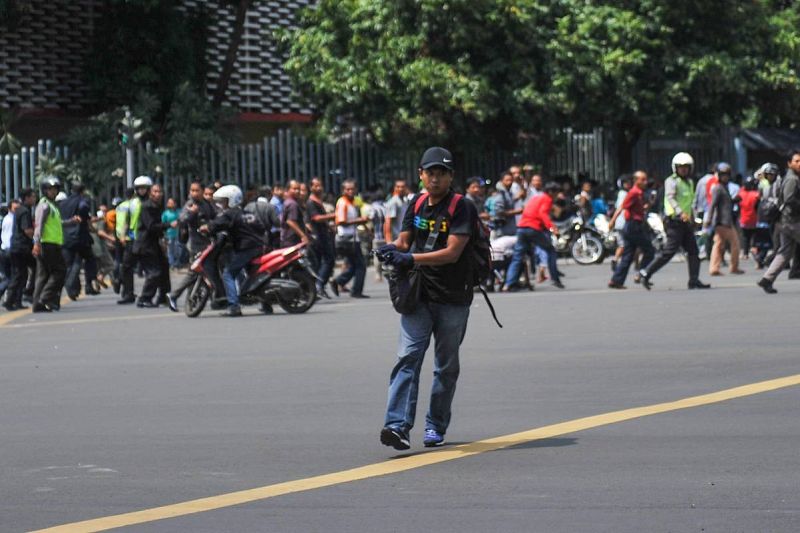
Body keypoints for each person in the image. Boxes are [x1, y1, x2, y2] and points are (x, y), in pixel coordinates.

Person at [378, 146, 477, 450]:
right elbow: (404, 240)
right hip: (418, 295)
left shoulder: (462, 207)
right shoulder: (416, 203)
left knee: (446, 366)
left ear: (451, 177)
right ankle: (397, 426)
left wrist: (411, 259)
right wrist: (391, 248)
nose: (435, 179)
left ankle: (435, 424)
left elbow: (452, 253)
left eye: (441, 173)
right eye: (430, 172)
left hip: (453, 297)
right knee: (407, 358)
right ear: (420, 175)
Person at [638, 152, 710, 290]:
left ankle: (693, 280)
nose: (683, 169)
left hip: (686, 222)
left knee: (693, 251)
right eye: (680, 167)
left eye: (686, 167)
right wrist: (680, 212)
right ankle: (645, 272)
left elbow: (690, 202)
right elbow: (671, 198)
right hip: (674, 222)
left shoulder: (689, 182)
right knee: (668, 252)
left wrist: (693, 218)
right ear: (675, 168)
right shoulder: (671, 181)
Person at [201, 185, 267, 316]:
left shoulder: (230, 214)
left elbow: (217, 224)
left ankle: (234, 306)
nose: (222, 204)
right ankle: (266, 303)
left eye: (224, 201)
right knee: (253, 276)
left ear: (232, 200)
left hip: (246, 249)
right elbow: (261, 227)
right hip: (258, 246)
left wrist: (207, 227)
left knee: (228, 274)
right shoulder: (246, 213)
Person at [168, 181, 225, 309]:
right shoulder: (190, 204)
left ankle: (217, 299)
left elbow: (215, 217)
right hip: (196, 246)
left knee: (210, 271)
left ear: (202, 191)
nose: (193, 193)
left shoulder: (206, 204)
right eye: (192, 190)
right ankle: (175, 295)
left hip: (209, 244)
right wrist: (192, 213)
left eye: (196, 190)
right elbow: (182, 219)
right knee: (195, 273)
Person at [502, 181, 564, 291]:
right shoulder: (547, 199)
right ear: (551, 192)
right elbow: (542, 213)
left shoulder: (536, 198)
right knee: (551, 251)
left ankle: (508, 284)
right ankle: (555, 278)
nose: (557, 196)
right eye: (556, 193)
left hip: (522, 227)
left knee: (517, 256)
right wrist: (553, 228)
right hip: (533, 228)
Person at [32, 177, 77, 312]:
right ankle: (44, 298)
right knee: (60, 271)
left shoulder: (52, 206)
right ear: (45, 190)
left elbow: (58, 224)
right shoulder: (44, 205)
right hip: (47, 244)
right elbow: (38, 225)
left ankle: (37, 304)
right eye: (50, 189)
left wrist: (71, 221)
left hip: (52, 244)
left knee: (43, 275)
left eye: (55, 189)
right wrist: (36, 243)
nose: (53, 192)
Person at [758, 149, 800, 294]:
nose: (799, 164)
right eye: (797, 161)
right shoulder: (792, 179)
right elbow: (789, 200)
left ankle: (767, 279)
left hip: (786, 222)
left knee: (784, 253)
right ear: (789, 163)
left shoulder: (793, 177)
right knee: (784, 251)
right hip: (792, 222)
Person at [608, 171, 655, 288]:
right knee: (650, 250)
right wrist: (612, 220)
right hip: (633, 226)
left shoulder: (639, 193)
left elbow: (640, 209)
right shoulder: (633, 193)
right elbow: (622, 207)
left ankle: (616, 281)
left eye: (645, 179)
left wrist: (648, 204)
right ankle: (642, 274)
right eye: (642, 180)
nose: (645, 182)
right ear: (636, 181)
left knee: (628, 256)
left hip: (634, 225)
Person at [134, 183, 174, 310]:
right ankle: (144, 298)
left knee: (164, 268)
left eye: (160, 191)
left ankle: (164, 297)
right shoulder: (147, 206)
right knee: (154, 272)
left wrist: (163, 239)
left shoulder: (156, 206)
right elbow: (151, 226)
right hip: (146, 244)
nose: (157, 194)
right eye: (155, 191)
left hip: (153, 243)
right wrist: (169, 225)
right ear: (150, 193)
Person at [59, 181, 98, 299]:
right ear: (83, 191)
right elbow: (85, 217)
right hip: (80, 237)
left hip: (66, 237)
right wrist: (91, 228)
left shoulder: (63, 203)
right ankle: (88, 285)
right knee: (90, 260)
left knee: (69, 263)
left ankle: (73, 288)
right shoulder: (83, 202)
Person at [331, 179, 369, 298]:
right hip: (347, 239)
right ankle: (356, 291)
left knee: (354, 265)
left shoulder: (352, 202)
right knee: (361, 265)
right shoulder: (343, 203)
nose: (350, 191)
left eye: (352, 189)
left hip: (351, 238)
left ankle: (338, 281)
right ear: (343, 191)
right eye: (348, 189)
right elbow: (340, 221)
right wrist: (360, 220)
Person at [118, 176, 152, 304]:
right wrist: (122, 235)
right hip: (133, 239)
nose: (142, 191)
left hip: (148, 239)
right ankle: (128, 294)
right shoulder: (132, 203)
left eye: (144, 188)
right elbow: (127, 220)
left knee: (152, 268)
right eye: (139, 188)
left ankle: (153, 295)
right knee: (126, 267)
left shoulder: (153, 202)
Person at [705, 164, 744, 276]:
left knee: (718, 245)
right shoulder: (718, 188)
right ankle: (734, 267)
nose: (725, 177)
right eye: (723, 175)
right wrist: (709, 218)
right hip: (722, 221)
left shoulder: (723, 188)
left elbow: (726, 203)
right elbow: (713, 205)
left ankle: (714, 268)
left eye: (726, 175)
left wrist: (734, 200)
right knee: (735, 243)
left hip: (725, 220)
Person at [306, 177, 336, 298]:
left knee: (320, 262)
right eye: (316, 186)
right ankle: (318, 285)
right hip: (317, 236)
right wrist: (333, 215)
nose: (319, 188)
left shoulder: (318, 201)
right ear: (311, 187)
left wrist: (329, 227)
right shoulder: (311, 202)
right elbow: (316, 218)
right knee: (328, 259)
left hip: (323, 234)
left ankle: (317, 287)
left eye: (320, 185)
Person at [280, 180, 308, 248]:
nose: (297, 191)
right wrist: (303, 236)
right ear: (288, 190)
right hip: (292, 240)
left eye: (298, 189)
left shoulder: (287, 202)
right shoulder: (293, 204)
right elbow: (291, 221)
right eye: (294, 189)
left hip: (286, 239)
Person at [0, 200, 16, 307]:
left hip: (3, 249)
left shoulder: (5, 219)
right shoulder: (12, 220)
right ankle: (10, 299)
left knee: (8, 277)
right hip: (10, 250)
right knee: (13, 277)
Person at [384, 179, 410, 243]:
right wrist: (389, 241)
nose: (400, 189)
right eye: (398, 187)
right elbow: (387, 222)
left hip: (405, 238)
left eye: (403, 187)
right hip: (396, 239)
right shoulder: (393, 202)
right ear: (394, 188)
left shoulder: (406, 201)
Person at [162, 197, 181, 269]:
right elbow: (163, 224)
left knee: (177, 249)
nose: (169, 204)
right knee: (170, 250)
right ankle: (172, 264)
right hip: (169, 234)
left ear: (175, 204)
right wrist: (164, 235)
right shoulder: (165, 213)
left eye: (171, 202)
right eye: (168, 202)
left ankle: (177, 263)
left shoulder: (179, 211)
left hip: (177, 233)